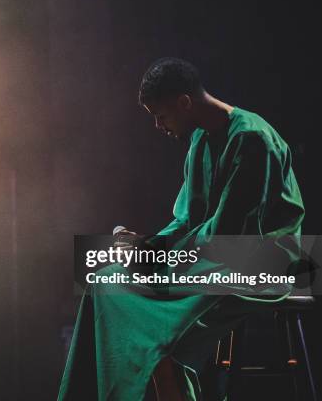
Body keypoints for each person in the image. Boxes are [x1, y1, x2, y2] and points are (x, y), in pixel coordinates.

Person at [57, 58, 305, 400]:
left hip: (266, 260)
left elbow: (231, 235)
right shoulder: (200, 142)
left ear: (184, 102)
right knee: (104, 279)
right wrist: (146, 244)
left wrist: (156, 254)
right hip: (214, 255)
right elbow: (187, 220)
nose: (158, 125)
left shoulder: (252, 138)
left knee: (156, 331)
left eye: (160, 115)